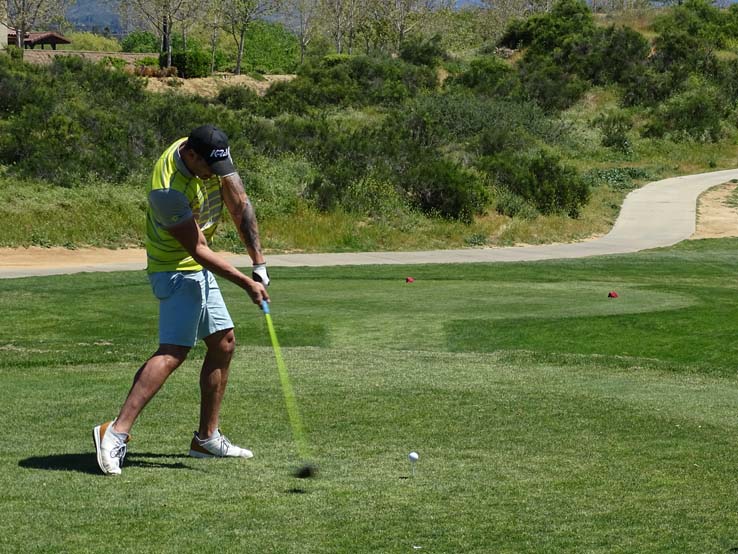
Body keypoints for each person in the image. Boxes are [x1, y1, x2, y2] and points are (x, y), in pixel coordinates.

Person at [93, 124, 270, 476]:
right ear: (190, 155)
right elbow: (198, 250)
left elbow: (239, 203)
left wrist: (259, 262)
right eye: (209, 169)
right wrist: (245, 284)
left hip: (196, 267)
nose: (213, 176)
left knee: (223, 343)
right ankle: (114, 432)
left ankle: (205, 439)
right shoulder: (167, 189)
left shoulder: (210, 150)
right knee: (173, 351)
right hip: (174, 268)